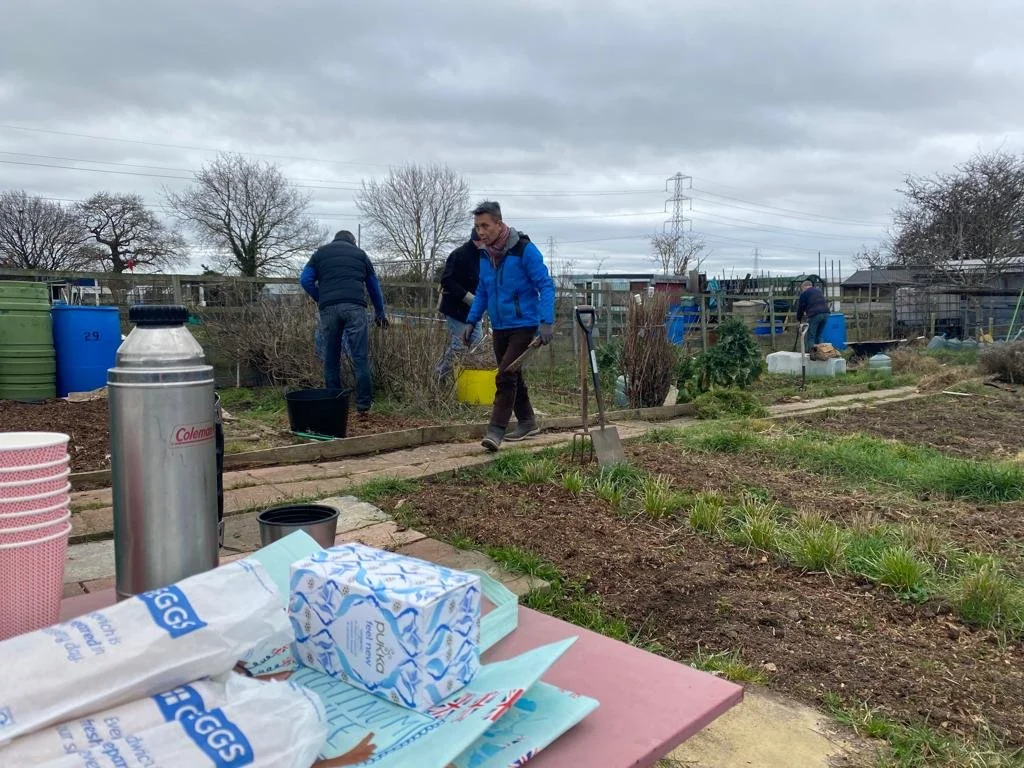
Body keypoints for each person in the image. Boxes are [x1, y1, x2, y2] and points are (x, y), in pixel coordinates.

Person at [462, 201, 556, 452]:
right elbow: (483, 290)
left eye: (485, 226)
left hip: (524, 324)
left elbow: (545, 285)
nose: (481, 232)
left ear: (499, 223)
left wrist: (546, 321)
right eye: (477, 227)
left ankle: (495, 431)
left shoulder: (524, 250)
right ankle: (528, 421)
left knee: (505, 375)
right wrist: (471, 320)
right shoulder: (486, 255)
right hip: (500, 326)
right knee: (513, 373)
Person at [299, 230, 388, 416]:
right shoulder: (360, 255)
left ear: (335, 239)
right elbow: (374, 286)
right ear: (353, 242)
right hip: (355, 307)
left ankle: (335, 403)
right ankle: (363, 404)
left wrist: (320, 297)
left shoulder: (320, 253)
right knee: (360, 357)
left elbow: (305, 280)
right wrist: (380, 313)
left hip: (329, 310)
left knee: (331, 358)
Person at [435, 229, 483, 380]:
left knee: (477, 345)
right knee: (459, 346)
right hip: (455, 309)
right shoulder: (459, 255)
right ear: (476, 240)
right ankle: (440, 376)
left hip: (474, 311)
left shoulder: (484, 256)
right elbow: (446, 280)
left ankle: (468, 379)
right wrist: (466, 296)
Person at [795, 279, 829, 351]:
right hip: (826, 313)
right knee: (819, 335)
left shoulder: (804, 293)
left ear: (804, 287)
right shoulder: (819, 291)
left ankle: (811, 353)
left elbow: (801, 308)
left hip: (815, 314)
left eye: (802, 289)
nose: (802, 290)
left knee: (811, 336)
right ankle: (821, 353)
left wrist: (798, 320)